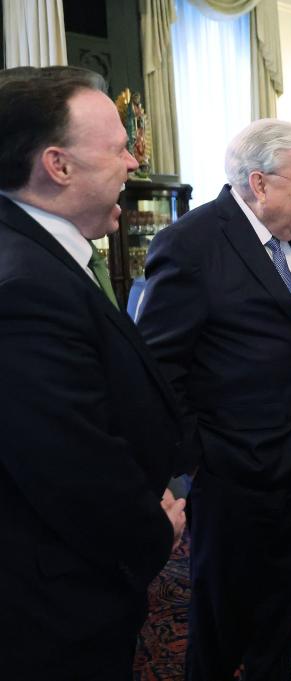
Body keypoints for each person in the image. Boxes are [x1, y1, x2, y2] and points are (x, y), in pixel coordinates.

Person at [136, 118, 291, 680]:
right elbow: (157, 369)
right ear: (260, 183)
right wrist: (198, 461)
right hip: (231, 475)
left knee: (283, 605)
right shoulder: (191, 244)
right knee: (222, 619)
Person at [0, 65, 187, 678]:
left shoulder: (41, 253)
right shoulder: (24, 284)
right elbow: (66, 461)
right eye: (119, 148)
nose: (135, 162)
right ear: (58, 165)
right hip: (53, 601)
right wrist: (153, 525)